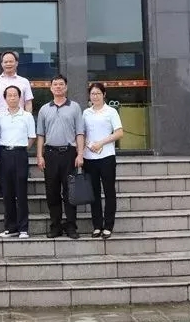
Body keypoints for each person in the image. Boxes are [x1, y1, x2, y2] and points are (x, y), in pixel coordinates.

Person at [36, 74, 85, 239]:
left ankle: (71, 226)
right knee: (52, 192)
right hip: (50, 154)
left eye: (61, 84)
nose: (58, 87)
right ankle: (55, 226)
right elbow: (40, 135)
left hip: (69, 154)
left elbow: (79, 133)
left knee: (70, 192)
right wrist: (39, 155)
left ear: (66, 87)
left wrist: (80, 154)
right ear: (50, 88)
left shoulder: (75, 107)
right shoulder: (44, 109)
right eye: (55, 84)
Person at [83, 82, 124, 238]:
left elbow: (119, 133)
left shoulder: (111, 111)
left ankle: (108, 226)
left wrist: (101, 143)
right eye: (92, 94)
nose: (95, 96)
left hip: (106, 156)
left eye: (98, 93)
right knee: (93, 193)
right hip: (89, 157)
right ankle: (97, 226)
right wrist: (88, 144)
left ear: (104, 94)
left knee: (109, 192)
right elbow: (82, 133)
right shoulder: (86, 113)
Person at [0, 84, 36, 239]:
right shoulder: (0, 116)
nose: (12, 98)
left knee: (21, 192)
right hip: (4, 154)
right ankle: (10, 227)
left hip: (20, 154)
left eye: (15, 95)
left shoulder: (27, 116)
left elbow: (31, 137)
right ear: (5, 98)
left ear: (20, 98)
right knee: (7, 193)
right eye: (9, 95)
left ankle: (23, 228)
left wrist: (22, 149)